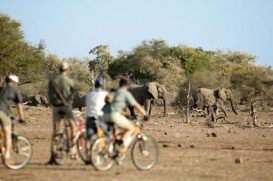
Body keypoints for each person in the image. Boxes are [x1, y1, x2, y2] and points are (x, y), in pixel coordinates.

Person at [101, 76, 149, 154]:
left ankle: (111, 151)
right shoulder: (125, 93)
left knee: (115, 133)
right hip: (114, 115)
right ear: (127, 86)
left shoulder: (114, 91)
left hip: (103, 115)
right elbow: (136, 105)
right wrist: (145, 114)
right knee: (131, 129)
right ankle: (121, 146)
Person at [48, 61, 77, 163]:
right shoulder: (69, 81)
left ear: (59, 69)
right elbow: (72, 93)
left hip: (55, 107)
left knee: (55, 131)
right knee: (74, 126)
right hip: (66, 107)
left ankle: (52, 156)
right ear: (67, 70)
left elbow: (49, 95)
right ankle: (72, 147)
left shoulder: (53, 81)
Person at [0, 74, 25, 165]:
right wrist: (22, 118)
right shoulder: (15, 90)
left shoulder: (1, 89)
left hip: (4, 112)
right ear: (14, 83)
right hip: (2, 112)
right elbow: (19, 106)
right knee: (7, 134)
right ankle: (6, 158)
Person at [85, 77, 108, 164]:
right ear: (102, 85)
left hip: (90, 118)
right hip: (100, 119)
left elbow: (86, 105)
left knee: (89, 139)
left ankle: (88, 158)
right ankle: (103, 155)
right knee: (104, 136)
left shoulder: (89, 94)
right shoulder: (105, 94)